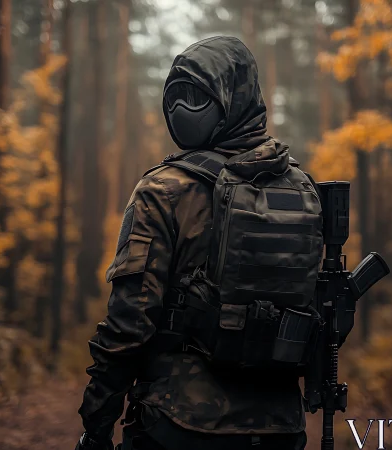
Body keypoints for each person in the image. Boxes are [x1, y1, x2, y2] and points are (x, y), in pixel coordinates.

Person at [75, 36, 317, 450]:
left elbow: (129, 324)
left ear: (232, 96)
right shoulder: (302, 189)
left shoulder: (163, 189)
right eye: (173, 97)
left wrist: (96, 424)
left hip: (179, 423)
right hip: (279, 426)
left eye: (195, 95)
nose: (180, 109)